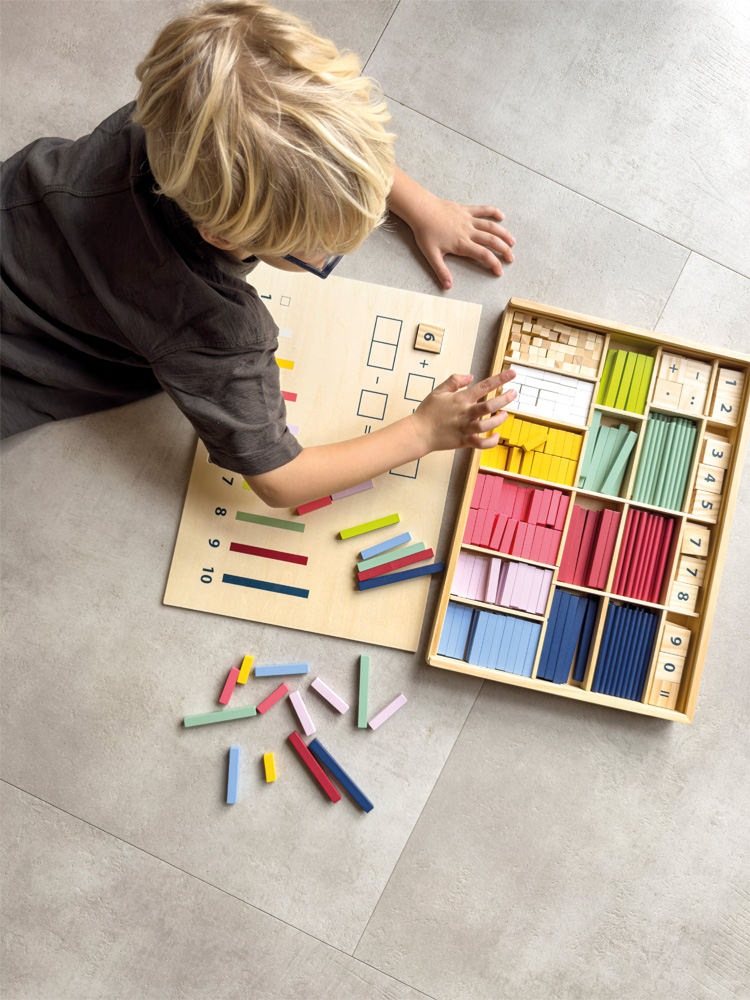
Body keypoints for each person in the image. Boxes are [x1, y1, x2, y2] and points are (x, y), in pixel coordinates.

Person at [1, 0, 517, 507]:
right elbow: (279, 479)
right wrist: (422, 432)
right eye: (320, 254)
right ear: (224, 238)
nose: (336, 251)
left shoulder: (180, 107)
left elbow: (309, 143)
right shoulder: (213, 330)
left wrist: (421, 205)